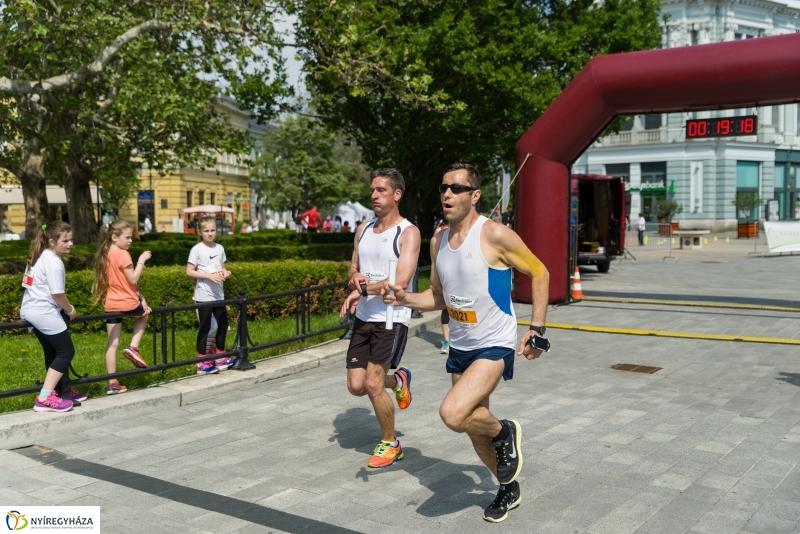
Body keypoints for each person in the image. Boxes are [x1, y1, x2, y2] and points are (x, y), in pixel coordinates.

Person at [384, 162, 550, 523]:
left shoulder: (494, 235)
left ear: (474, 196)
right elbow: (438, 298)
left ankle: (506, 431)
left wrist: (537, 329)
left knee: (453, 413)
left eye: (457, 188)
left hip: (495, 342)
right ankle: (507, 488)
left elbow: (540, 271)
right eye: (444, 187)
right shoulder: (438, 241)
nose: (447, 193)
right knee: (473, 428)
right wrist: (405, 299)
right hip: (460, 345)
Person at [339, 168, 421, 469]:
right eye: (372, 190)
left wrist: (361, 289)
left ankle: (391, 442)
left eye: (381, 190)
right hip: (364, 316)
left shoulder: (408, 233)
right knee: (357, 385)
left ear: (396, 195)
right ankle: (398, 379)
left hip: (391, 318)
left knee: (373, 385)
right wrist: (355, 277)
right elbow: (352, 268)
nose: (374, 195)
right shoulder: (362, 229)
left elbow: (398, 284)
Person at [22, 222, 86, 412]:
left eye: (71, 239)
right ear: (51, 241)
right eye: (65, 240)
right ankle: (45, 397)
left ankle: (60, 390)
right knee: (66, 351)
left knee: (53, 352)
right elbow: (57, 294)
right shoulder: (53, 262)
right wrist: (70, 310)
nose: (70, 243)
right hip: (43, 311)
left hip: (33, 309)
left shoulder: (43, 256)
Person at [92, 220, 152, 395]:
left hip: (111, 303)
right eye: (127, 237)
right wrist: (141, 260)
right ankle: (133, 347)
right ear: (114, 237)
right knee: (145, 313)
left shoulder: (106, 253)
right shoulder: (123, 254)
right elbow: (132, 280)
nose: (131, 240)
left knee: (112, 344)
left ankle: (112, 383)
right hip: (128, 302)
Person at [187, 216, 234, 375]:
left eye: (212, 230)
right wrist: (208, 276)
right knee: (206, 328)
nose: (210, 233)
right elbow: (189, 271)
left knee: (222, 325)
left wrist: (225, 273)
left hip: (218, 295)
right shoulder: (197, 249)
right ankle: (202, 362)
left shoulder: (220, 248)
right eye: (206, 231)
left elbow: (222, 267)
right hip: (203, 295)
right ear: (200, 232)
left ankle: (220, 357)